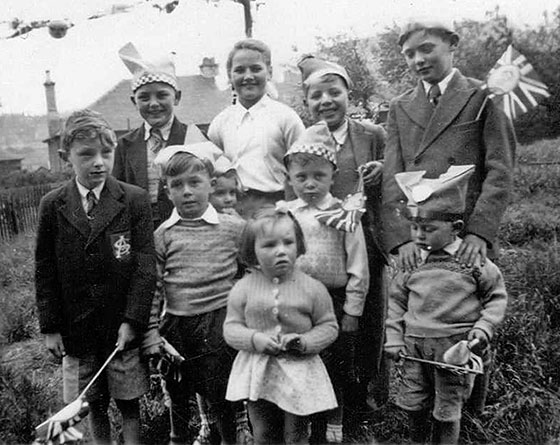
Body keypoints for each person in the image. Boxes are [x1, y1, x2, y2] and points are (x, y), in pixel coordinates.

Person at [381, 18, 516, 413]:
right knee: (422, 314)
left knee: (470, 317)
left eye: (427, 49)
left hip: (464, 234)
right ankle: (421, 410)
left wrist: (479, 232)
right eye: (409, 54)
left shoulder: (485, 95)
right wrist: (402, 238)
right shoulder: (401, 107)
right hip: (421, 236)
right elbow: (392, 175)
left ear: (451, 45)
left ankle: (469, 415)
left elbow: (500, 169)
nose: (418, 60)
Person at [35, 109, 156, 444]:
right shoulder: (52, 204)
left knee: (129, 403)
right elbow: (44, 269)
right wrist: (51, 327)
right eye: (86, 155)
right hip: (77, 328)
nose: (99, 162)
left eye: (106, 152)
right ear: (65, 158)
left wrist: (133, 319)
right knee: (91, 403)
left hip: (121, 326)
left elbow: (145, 265)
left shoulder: (133, 199)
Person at [384, 165, 508, 444]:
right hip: (415, 347)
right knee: (414, 404)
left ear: (456, 228)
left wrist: (484, 326)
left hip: (454, 349)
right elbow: (396, 302)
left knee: (448, 409)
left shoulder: (472, 261)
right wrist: (393, 338)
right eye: (414, 228)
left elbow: (496, 295)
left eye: (428, 229)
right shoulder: (412, 262)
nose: (418, 236)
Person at [297, 54, 389, 415]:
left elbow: (396, 176)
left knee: (370, 316)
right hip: (325, 244)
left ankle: (367, 391)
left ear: (348, 94)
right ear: (307, 104)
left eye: (333, 92)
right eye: (316, 96)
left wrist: (383, 169)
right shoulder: (307, 139)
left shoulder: (372, 135)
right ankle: (329, 395)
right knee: (331, 316)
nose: (326, 102)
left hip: (366, 237)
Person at [143, 128, 246, 445]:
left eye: (194, 183)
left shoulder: (233, 228)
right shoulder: (163, 234)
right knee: (178, 391)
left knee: (221, 393)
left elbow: (249, 272)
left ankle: (230, 437)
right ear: (167, 191)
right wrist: (151, 331)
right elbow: (154, 287)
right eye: (177, 185)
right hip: (178, 325)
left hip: (219, 323)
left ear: (211, 185)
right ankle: (178, 437)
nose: (187, 192)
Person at [279, 122, 368, 443]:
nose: (310, 184)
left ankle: (335, 418)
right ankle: (300, 416)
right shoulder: (287, 213)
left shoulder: (344, 213)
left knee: (337, 361)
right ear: (289, 179)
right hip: (295, 300)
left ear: (332, 174)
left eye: (319, 176)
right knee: (302, 358)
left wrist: (353, 311)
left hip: (334, 298)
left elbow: (358, 266)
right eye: (301, 177)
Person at [223, 207, 339, 445]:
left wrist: (305, 341)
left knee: (296, 434)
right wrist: (254, 339)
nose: (281, 252)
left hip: (298, 369)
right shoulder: (244, 288)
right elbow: (231, 328)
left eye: (288, 243)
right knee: (263, 432)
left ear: (299, 245)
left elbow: (328, 326)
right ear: (252, 251)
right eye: (269, 246)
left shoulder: (312, 288)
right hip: (258, 369)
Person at [208, 38, 305, 218]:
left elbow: (301, 170)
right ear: (230, 75)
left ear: (269, 72)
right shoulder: (220, 123)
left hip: (275, 209)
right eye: (239, 70)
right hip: (232, 211)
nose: (248, 76)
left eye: (255, 68)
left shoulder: (286, 117)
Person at [113, 42, 188, 227]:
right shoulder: (125, 145)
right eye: (144, 97)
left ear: (176, 97)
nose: (153, 104)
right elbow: (116, 193)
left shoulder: (192, 138)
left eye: (162, 95)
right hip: (139, 230)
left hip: (183, 227)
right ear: (134, 101)